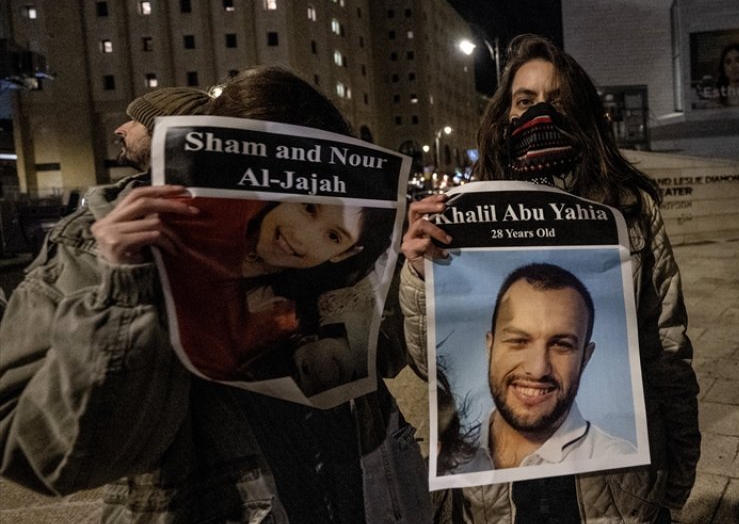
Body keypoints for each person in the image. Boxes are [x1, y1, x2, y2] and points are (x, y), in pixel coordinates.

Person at [0, 68, 430, 522]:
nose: (304, 235)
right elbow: (50, 453)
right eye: (300, 202)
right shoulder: (99, 244)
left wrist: (413, 273)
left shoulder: (330, 270)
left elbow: (385, 358)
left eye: (331, 230)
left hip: (365, 496)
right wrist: (125, 292)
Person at [401, 34, 699, 523]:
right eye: (525, 101)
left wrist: (678, 472)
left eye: (557, 101)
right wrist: (417, 273)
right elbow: (430, 364)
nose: (541, 112)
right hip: (492, 501)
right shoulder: (464, 216)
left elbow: (667, 349)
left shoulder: (628, 212)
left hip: (616, 491)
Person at [161, 198, 397, 393]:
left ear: (342, 255)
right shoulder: (209, 222)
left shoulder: (283, 317)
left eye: (333, 236)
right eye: (308, 208)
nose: (299, 237)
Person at [451, 263, 637, 474]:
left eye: (561, 345)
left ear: (585, 358)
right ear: (490, 345)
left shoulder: (621, 464)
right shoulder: (446, 460)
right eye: (518, 341)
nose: (538, 369)